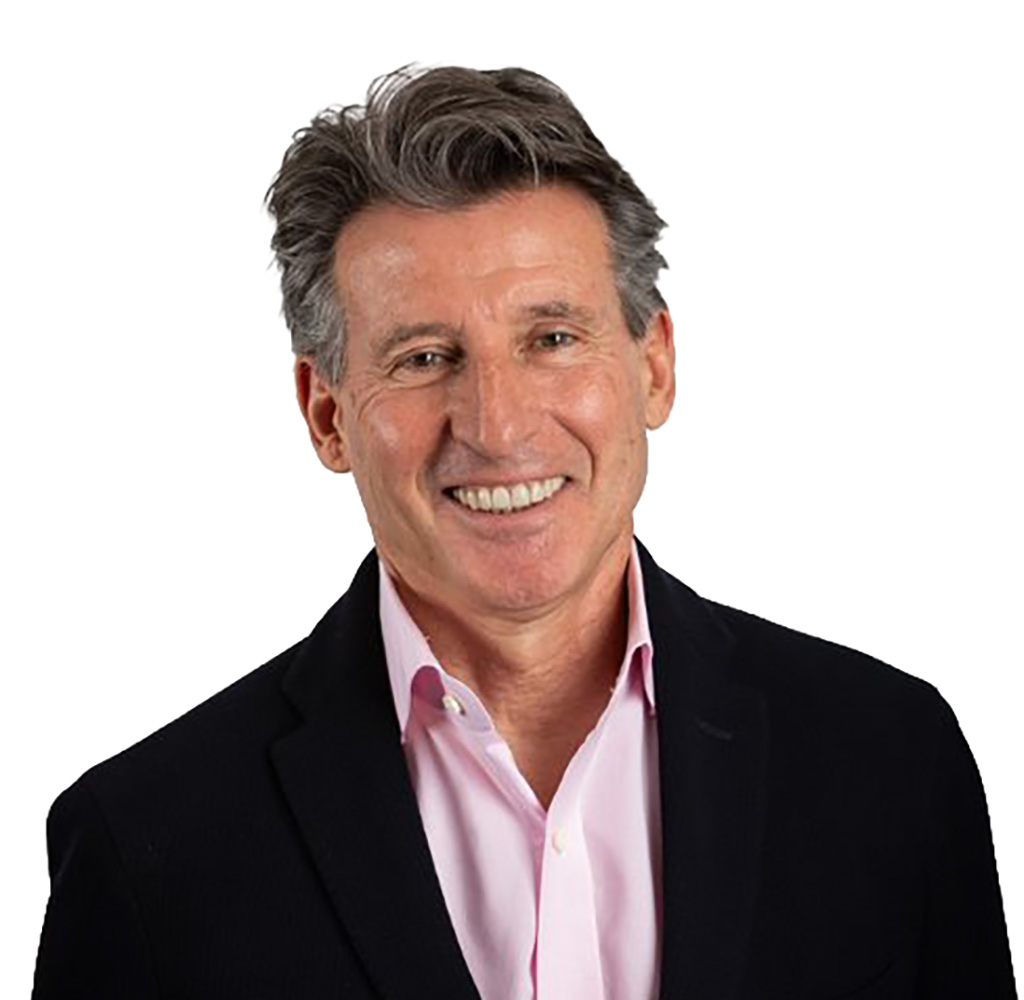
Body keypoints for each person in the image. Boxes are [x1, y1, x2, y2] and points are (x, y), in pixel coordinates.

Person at [32, 65, 1016, 1000]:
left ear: (654, 365)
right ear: (326, 414)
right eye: (424, 357)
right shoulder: (146, 848)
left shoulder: (890, 760)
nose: (497, 427)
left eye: (552, 339)